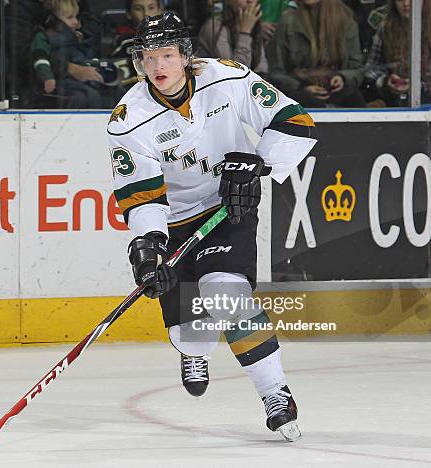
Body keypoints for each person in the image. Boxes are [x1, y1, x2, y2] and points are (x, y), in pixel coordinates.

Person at [107, 11, 317, 440]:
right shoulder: (128, 120)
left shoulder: (227, 77)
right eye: (148, 58)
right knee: (192, 334)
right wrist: (149, 247)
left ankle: (276, 392)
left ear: (185, 55)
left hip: (226, 208)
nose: (158, 67)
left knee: (225, 294)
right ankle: (193, 350)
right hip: (173, 222)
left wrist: (258, 165)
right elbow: (142, 196)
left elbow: (295, 123)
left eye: (166, 55)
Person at [267, 0, 367, 108]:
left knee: (353, 96)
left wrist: (342, 78)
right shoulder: (288, 21)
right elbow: (276, 72)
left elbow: (357, 69)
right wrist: (302, 87)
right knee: (307, 101)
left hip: (336, 91)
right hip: (298, 91)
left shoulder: (346, 21)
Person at [31, 0, 124, 108]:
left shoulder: (77, 38)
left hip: (81, 79)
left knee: (115, 92)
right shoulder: (43, 37)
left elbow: (82, 59)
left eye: (76, 17)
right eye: (70, 17)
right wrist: (47, 78)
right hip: (62, 80)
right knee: (89, 96)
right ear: (53, 19)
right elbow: (41, 59)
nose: (76, 22)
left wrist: (95, 66)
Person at [365, 0, 430, 106]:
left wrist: (417, 85)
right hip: (392, 100)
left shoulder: (428, 27)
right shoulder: (385, 27)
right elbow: (371, 68)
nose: (406, 3)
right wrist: (384, 81)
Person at [196, 0, 268, 74]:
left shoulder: (252, 22)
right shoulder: (214, 27)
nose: (250, 1)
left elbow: (262, 67)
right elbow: (234, 72)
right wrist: (245, 32)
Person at [110, 0, 163, 86]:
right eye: (138, 9)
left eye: (151, 8)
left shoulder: (174, 39)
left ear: (159, 11)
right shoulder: (125, 42)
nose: (146, 13)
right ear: (129, 14)